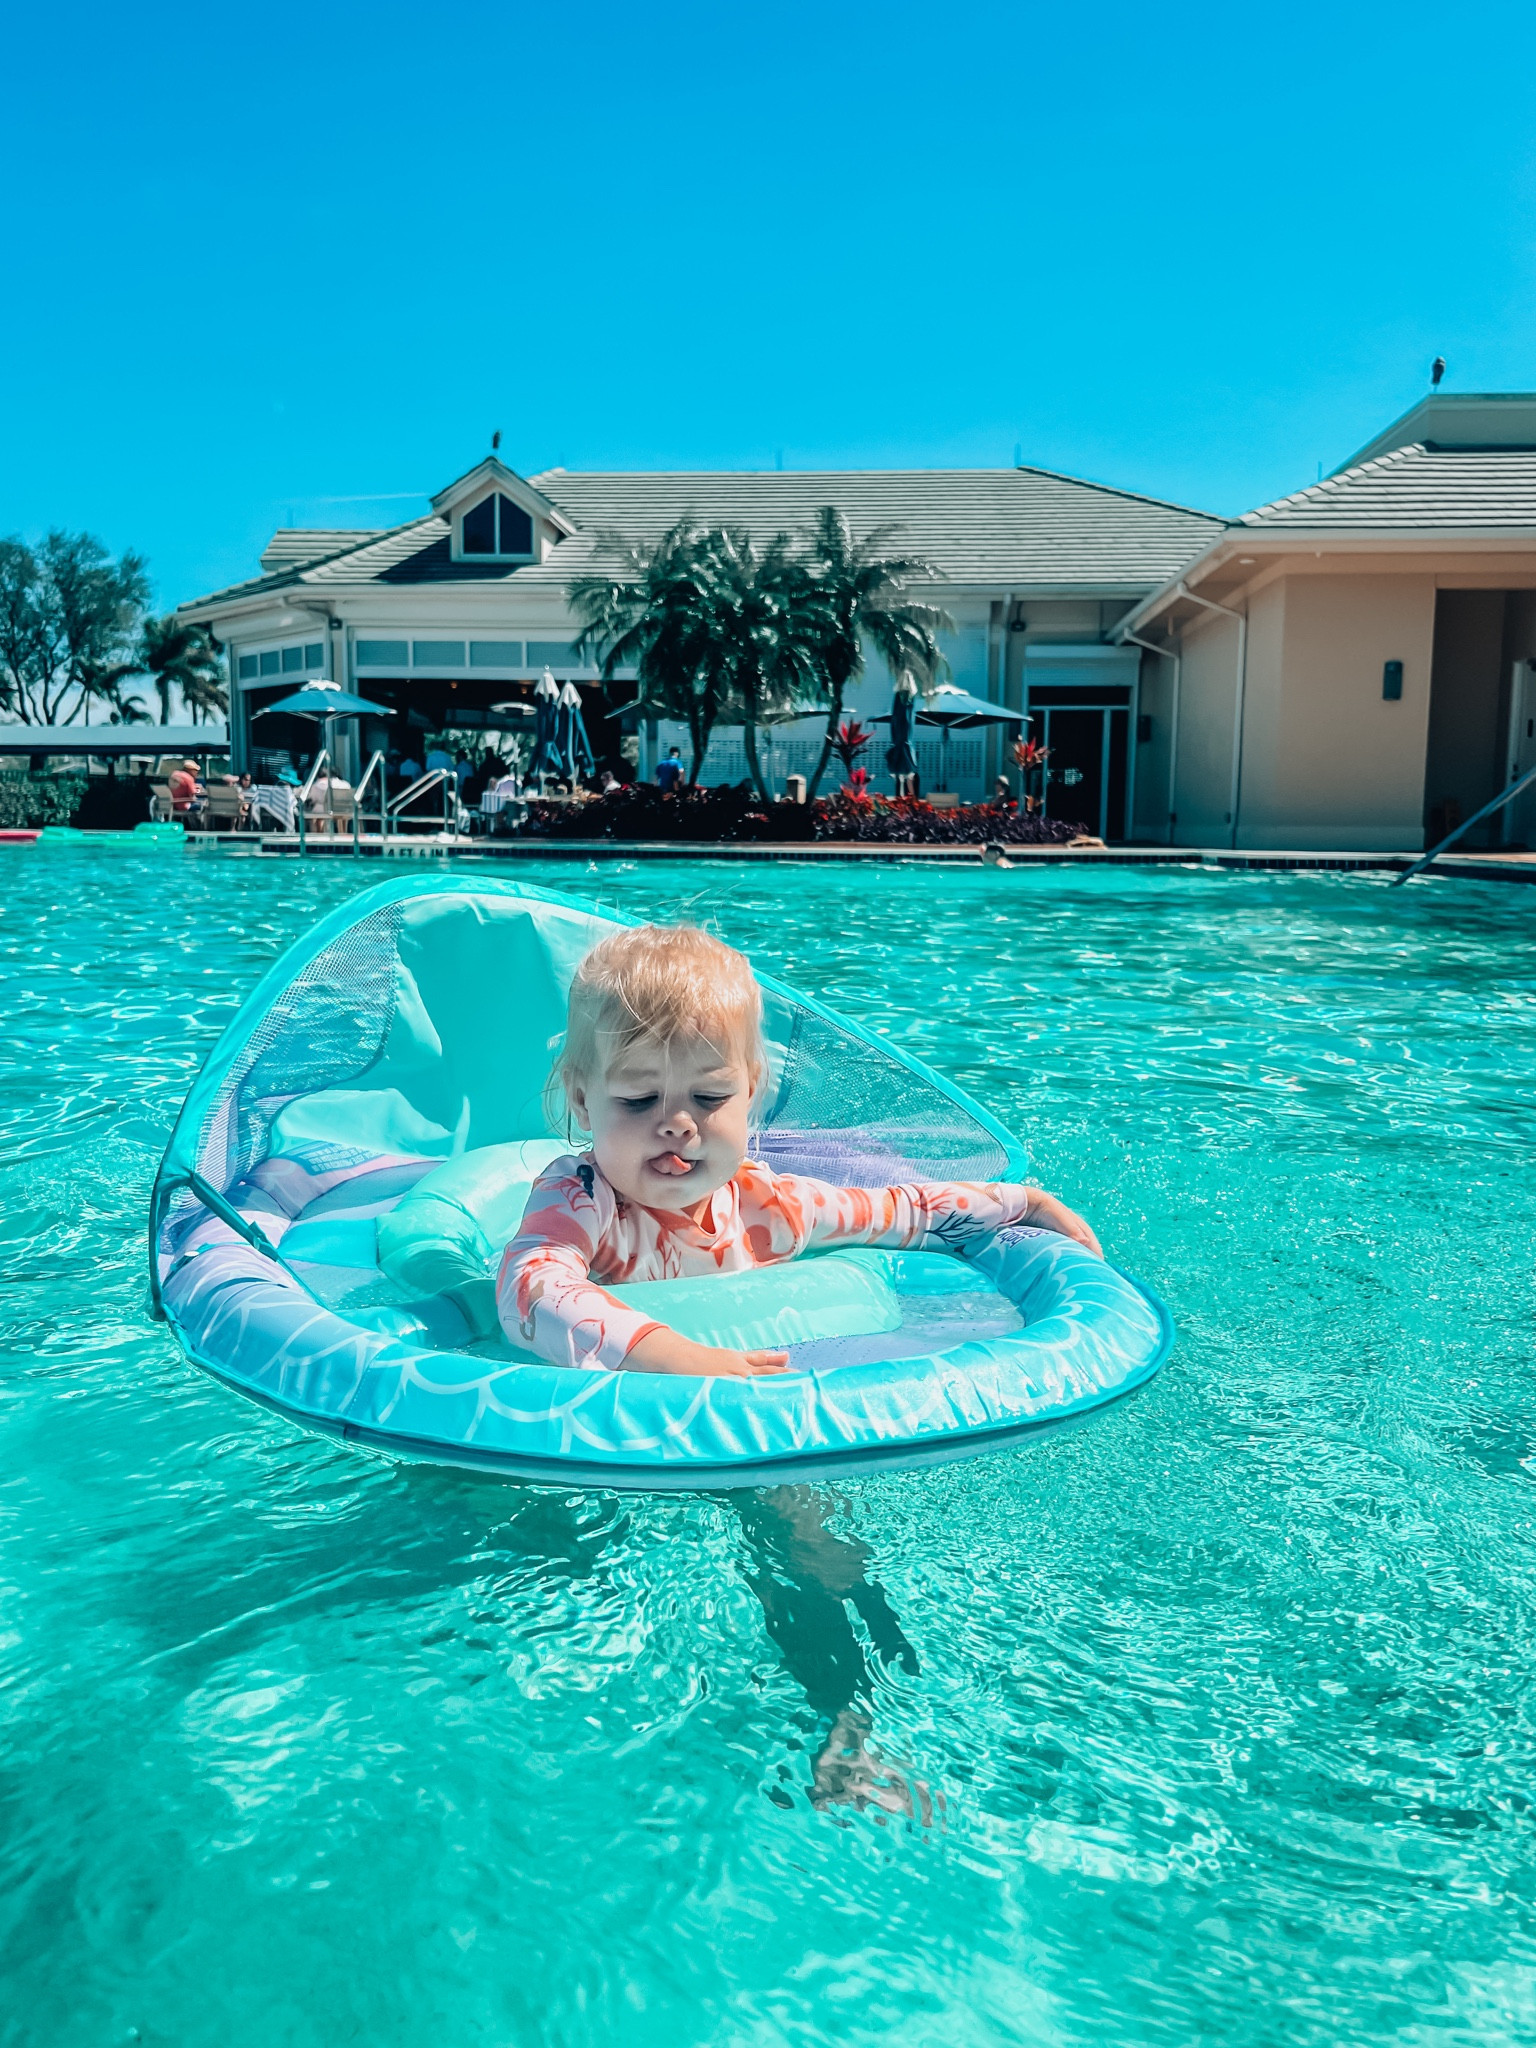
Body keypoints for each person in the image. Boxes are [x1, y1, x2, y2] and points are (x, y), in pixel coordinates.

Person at [497, 924, 1101, 1378]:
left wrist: (1019, 1201)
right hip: (604, 1412)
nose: (678, 1124)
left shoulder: (770, 1204)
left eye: (709, 1097)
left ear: (751, 1094)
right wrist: (673, 1355)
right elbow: (532, 1286)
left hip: (745, 1393)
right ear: (583, 1100)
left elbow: (900, 1212)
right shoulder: (579, 1198)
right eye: (638, 1099)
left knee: (806, 1518)